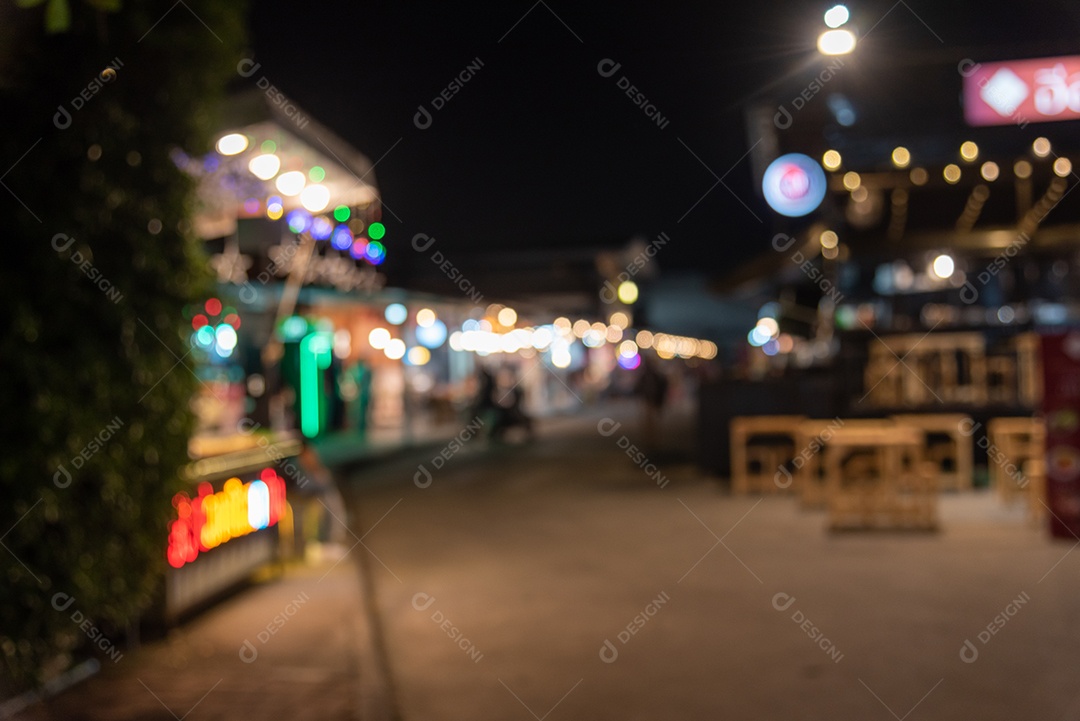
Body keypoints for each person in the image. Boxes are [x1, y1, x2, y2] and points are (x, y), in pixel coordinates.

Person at [635, 355, 668, 449]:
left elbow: (662, 387)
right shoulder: (644, 376)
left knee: (654, 423)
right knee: (648, 423)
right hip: (647, 401)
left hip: (654, 401)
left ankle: (654, 441)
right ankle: (649, 441)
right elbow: (638, 387)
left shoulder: (656, 376)